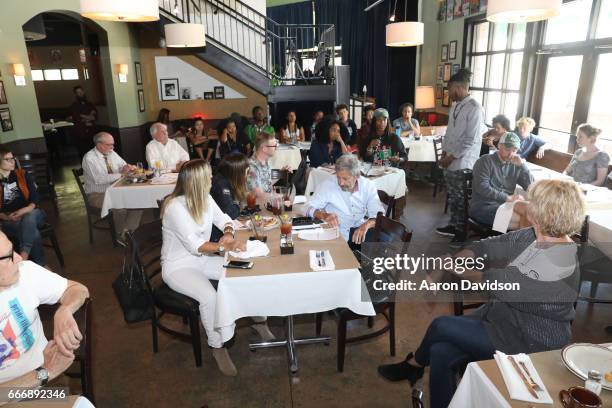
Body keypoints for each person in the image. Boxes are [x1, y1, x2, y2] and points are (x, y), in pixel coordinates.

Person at [378, 179, 584, 408]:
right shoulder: (534, 236)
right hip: (501, 318)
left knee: (441, 326)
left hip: (530, 341)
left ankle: (413, 366)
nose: (526, 204)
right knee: (440, 351)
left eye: (532, 202)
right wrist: (450, 264)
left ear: (543, 213)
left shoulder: (560, 261)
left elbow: (495, 281)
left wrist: (452, 268)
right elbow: (486, 246)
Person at [161, 160, 273, 376]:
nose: (212, 179)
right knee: (209, 297)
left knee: (248, 271)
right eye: (208, 176)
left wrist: (229, 234)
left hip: (202, 259)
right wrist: (225, 247)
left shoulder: (204, 197)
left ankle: (259, 321)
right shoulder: (174, 207)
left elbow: (225, 220)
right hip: (179, 267)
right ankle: (217, 347)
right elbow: (196, 245)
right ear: (197, 181)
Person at [0, 230, 89, 390]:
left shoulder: (24, 272)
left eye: (12, 249)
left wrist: (65, 310)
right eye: (8, 257)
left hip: (49, 384)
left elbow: (79, 290)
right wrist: (45, 372)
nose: (19, 258)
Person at [436, 68, 486, 245]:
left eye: (450, 90)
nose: (449, 94)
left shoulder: (475, 108)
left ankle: (461, 231)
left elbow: (469, 140)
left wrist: (451, 157)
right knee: (453, 195)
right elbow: (450, 132)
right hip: (450, 158)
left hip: (464, 161)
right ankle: (453, 224)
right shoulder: (456, 105)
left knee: (461, 198)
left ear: (458, 88)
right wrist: (444, 151)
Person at [305, 154, 385, 248]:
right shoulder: (328, 185)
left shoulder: (368, 186)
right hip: (336, 232)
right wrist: (324, 215)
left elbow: (379, 215)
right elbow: (306, 207)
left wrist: (366, 225)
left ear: (357, 176)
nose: (341, 183)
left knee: (386, 243)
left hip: (358, 230)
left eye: (345, 179)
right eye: (338, 177)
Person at [82, 132, 142, 242]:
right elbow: (99, 179)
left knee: (138, 202)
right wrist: (122, 174)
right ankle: (119, 234)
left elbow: (122, 164)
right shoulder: (89, 158)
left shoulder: (111, 152)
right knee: (120, 207)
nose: (112, 147)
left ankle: (128, 231)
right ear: (99, 145)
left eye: (113, 145)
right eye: (110, 145)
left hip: (116, 190)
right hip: (97, 195)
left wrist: (127, 167)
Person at [469, 132, 533, 228]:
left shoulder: (516, 164)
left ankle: (512, 241)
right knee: (524, 219)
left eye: (514, 150)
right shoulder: (485, 161)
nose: (511, 154)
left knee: (531, 211)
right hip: (484, 206)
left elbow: (531, 187)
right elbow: (482, 187)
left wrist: (522, 166)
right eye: (507, 149)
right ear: (499, 145)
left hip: (507, 205)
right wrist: (507, 198)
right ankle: (513, 241)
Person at [0, 147, 46, 266]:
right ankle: (40, 265)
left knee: (30, 215)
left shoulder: (22, 175)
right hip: (11, 219)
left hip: (34, 213)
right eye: (7, 159)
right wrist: (7, 218)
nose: (12, 161)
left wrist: (26, 209)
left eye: (13, 158)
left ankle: (23, 258)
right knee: (33, 232)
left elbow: (35, 197)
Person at [210, 152, 249, 241]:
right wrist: (239, 205)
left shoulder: (224, 179)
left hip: (223, 229)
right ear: (238, 172)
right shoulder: (221, 185)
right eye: (246, 171)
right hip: (217, 236)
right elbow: (231, 212)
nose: (247, 175)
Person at [247, 132, 290, 200]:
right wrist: (282, 196)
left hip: (266, 203)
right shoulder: (252, 167)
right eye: (274, 146)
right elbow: (259, 195)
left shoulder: (265, 161)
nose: (276, 148)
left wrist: (282, 172)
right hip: (257, 205)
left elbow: (267, 182)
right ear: (264, 149)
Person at [69, 86, 97, 159]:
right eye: (78, 92)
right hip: (80, 133)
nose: (80, 94)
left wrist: (85, 117)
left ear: (83, 92)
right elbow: (76, 117)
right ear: (76, 94)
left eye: (81, 91)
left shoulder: (90, 104)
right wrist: (88, 117)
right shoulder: (74, 106)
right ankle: (83, 169)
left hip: (91, 132)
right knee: (82, 152)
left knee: (92, 152)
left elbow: (95, 117)